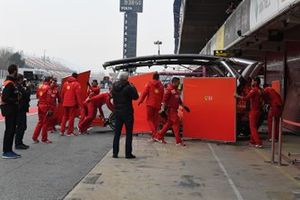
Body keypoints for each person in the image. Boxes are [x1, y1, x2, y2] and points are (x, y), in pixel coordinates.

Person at [154, 77, 190, 146]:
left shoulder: (175, 90)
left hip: (174, 110)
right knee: (176, 123)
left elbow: (178, 99)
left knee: (169, 124)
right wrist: (163, 109)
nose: (179, 84)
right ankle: (178, 141)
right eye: (178, 82)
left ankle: (158, 136)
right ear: (175, 82)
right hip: (171, 110)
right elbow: (164, 100)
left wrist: (184, 107)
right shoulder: (169, 89)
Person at [111, 72, 139, 159]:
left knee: (117, 134)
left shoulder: (114, 86)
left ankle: (115, 153)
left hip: (117, 113)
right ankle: (128, 154)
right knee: (129, 134)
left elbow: (112, 96)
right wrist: (133, 87)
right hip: (127, 113)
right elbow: (136, 97)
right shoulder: (128, 87)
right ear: (126, 79)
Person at [236, 77, 263, 148]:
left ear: (256, 82)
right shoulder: (260, 90)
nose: (251, 82)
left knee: (253, 127)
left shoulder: (253, 90)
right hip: (258, 111)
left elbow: (246, 98)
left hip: (253, 111)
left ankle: (258, 143)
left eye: (253, 81)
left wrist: (237, 96)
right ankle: (252, 141)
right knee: (254, 127)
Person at [1, 64, 21, 159]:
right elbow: (5, 97)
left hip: (10, 109)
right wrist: (15, 100)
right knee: (10, 130)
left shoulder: (9, 82)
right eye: (17, 70)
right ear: (14, 71)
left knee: (11, 130)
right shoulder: (9, 83)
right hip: (10, 110)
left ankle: (8, 150)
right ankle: (6, 151)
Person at [138, 72, 164, 140]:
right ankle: (154, 136)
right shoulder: (161, 85)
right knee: (155, 120)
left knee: (149, 119)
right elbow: (162, 96)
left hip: (150, 104)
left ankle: (155, 135)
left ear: (153, 77)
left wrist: (140, 101)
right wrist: (161, 103)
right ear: (158, 77)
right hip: (157, 105)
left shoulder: (149, 84)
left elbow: (144, 93)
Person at [32, 77, 53, 144]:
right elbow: (49, 99)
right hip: (45, 107)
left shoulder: (40, 86)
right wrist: (49, 109)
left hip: (40, 105)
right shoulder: (48, 88)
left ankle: (34, 137)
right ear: (49, 81)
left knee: (40, 122)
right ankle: (44, 139)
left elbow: (37, 96)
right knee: (45, 123)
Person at [15, 74, 31, 150]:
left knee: (22, 126)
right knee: (22, 126)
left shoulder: (18, 86)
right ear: (20, 79)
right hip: (21, 109)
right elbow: (26, 95)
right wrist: (28, 87)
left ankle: (19, 142)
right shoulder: (18, 87)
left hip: (21, 109)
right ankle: (18, 143)